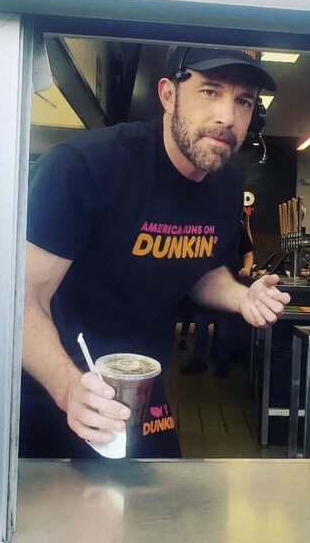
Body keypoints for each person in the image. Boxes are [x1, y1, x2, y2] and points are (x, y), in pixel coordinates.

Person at [20, 45, 289, 459]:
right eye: (210, 91)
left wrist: (242, 295)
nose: (227, 117)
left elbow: (203, 268)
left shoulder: (226, 186)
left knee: (157, 508)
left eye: (244, 101)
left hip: (143, 387)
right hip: (62, 385)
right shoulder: (84, 168)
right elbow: (22, 298)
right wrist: (69, 387)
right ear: (168, 94)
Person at [179, 215, 254, 377]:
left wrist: (247, 269)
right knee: (200, 327)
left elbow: (248, 253)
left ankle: (222, 366)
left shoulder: (237, 226)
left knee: (224, 330)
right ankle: (199, 362)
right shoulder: (200, 224)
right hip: (202, 287)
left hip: (228, 289)